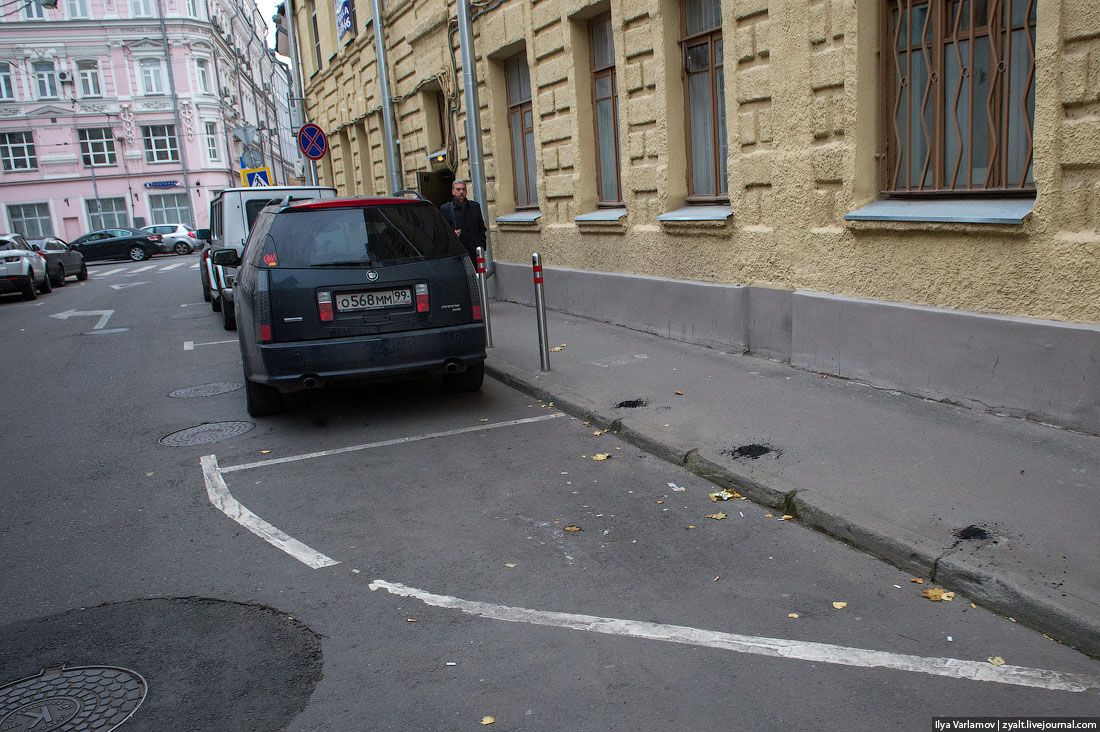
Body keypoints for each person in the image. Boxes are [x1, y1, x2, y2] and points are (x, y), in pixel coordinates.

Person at [439, 179, 486, 263]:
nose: (461, 192)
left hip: (475, 251)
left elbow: (481, 228)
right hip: (458, 253)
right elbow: (442, 232)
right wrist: (452, 234)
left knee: (478, 275)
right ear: (453, 192)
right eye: (458, 189)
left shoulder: (475, 206)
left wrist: (481, 246)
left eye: (463, 189)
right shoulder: (446, 209)